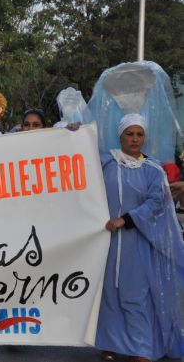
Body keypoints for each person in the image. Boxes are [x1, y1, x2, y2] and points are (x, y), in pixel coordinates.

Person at [95, 114, 184, 362]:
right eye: (129, 134)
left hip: (138, 240)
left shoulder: (152, 169)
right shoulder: (104, 163)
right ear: (120, 135)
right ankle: (109, 343)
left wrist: (126, 219)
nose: (135, 139)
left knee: (137, 293)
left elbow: (157, 202)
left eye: (139, 134)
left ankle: (141, 347)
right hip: (106, 240)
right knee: (108, 291)